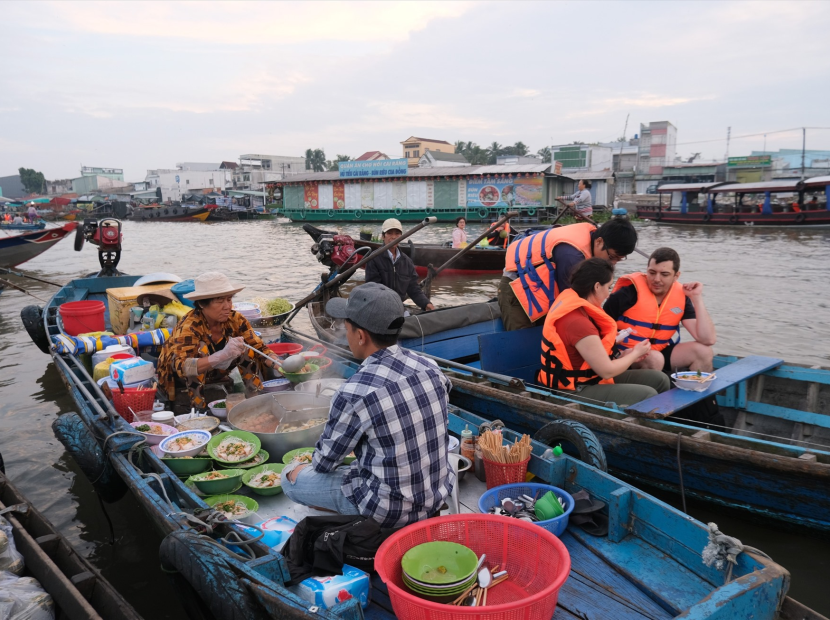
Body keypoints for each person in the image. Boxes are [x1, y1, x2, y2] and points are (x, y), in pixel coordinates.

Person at [282, 283, 455, 527]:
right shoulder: (430, 367)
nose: (346, 333)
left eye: (347, 327)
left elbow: (324, 463)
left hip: (389, 512)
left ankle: (345, 514)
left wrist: (300, 466)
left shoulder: (354, 392)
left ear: (361, 336)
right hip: (436, 495)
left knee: (290, 476)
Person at [537, 258, 670, 405]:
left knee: (660, 379)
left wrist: (623, 350)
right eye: (608, 287)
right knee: (648, 394)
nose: (608, 294)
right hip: (572, 391)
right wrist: (635, 354)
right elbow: (607, 371)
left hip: (589, 379)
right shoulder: (577, 322)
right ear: (597, 286)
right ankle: (628, 426)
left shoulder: (580, 307)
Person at [157, 271, 280, 413]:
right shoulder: (189, 326)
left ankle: (255, 400)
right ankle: (199, 410)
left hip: (215, 370)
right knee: (200, 350)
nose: (227, 306)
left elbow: (258, 347)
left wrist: (278, 364)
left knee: (245, 347)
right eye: (220, 301)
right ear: (203, 304)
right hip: (182, 377)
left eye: (229, 299)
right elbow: (182, 367)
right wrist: (220, 356)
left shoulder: (235, 319)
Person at [498, 218, 638, 331]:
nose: (613, 263)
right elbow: (572, 301)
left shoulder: (591, 240)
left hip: (542, 286)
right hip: (516, 285)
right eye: (611, 257)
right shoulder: (571, 256)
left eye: (618, 260)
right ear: (599, 241)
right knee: (520, 343)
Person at [604, 247, 716, 373]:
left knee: (704, 352)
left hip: (659, 350)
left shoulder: (682, 297)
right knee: (654, 358)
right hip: (626, 353)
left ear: (676, 276)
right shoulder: (627, 294)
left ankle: (697, 390)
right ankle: (647, 392)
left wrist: (696, 298)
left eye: (664, 274)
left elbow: (708, 339)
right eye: (652, 273)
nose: (656, 279)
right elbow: (599, 330)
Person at [365, 218, 435, 311]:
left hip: (398, 308)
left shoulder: (407, 262)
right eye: (389, 233)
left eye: (397, 233)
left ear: (402, 236)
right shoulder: (374, 258)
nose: (393, 237)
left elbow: (413, 289)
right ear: (383, 236)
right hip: (378, 308)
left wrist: (426, 303)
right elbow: (373, 290)